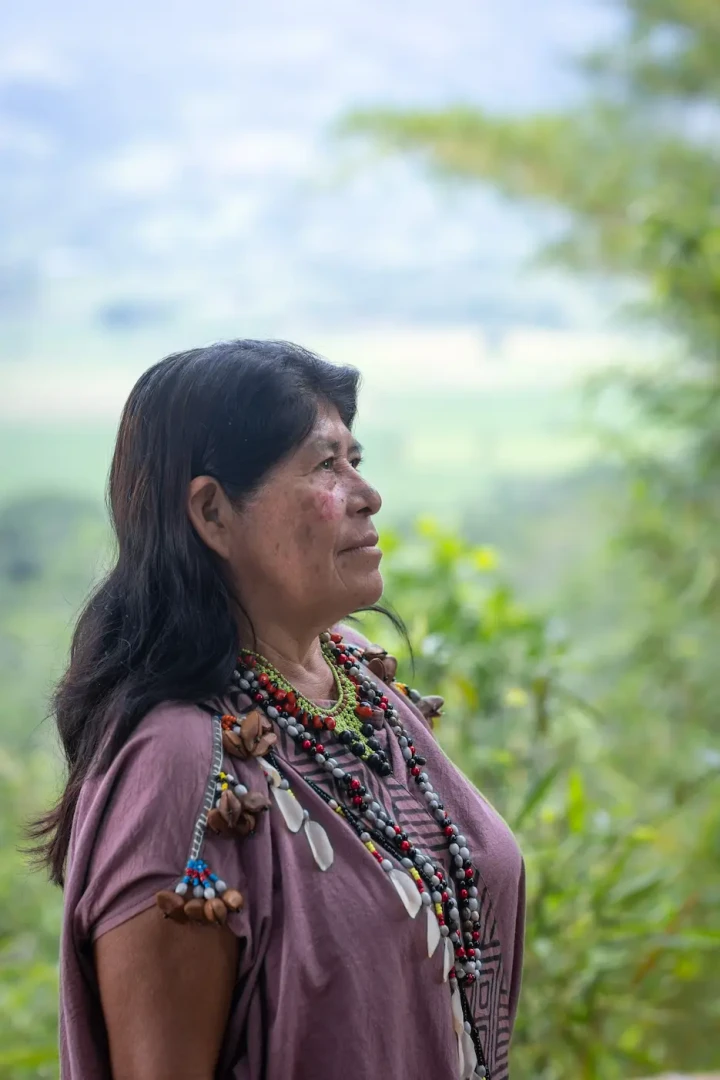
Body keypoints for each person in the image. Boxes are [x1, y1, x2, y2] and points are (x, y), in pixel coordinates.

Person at [37, 340, 525, 1080]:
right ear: (213, 511)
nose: (367, 494)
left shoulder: (363, 681)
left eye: (356, 458)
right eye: (327, 465)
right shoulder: (176, 766)